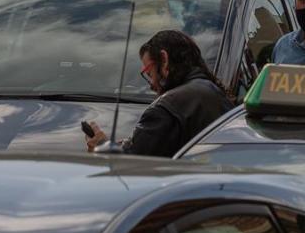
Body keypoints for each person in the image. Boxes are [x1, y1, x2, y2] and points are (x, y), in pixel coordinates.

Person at [83, 30, 231, 156]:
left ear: (164, 60)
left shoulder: (166, 109)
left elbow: (129, 162)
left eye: (149, 73)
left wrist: (101, 146)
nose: (152, 84)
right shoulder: (213, 92)